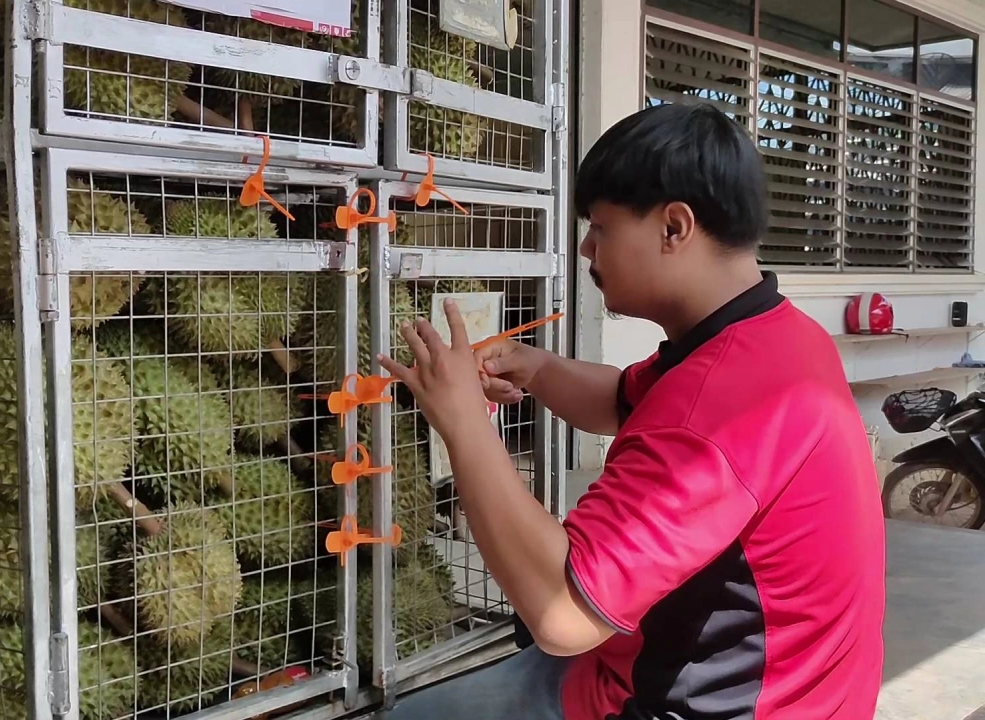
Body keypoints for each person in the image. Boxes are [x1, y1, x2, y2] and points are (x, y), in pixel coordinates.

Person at [375, 102, 886, 720]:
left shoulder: (714, 412)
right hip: (805, 690)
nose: (587, 248)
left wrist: (459, 419)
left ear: (674, 227)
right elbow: (623, 399)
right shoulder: (773, 336)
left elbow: (562, 612)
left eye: (602, 227)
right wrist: (534, 368)